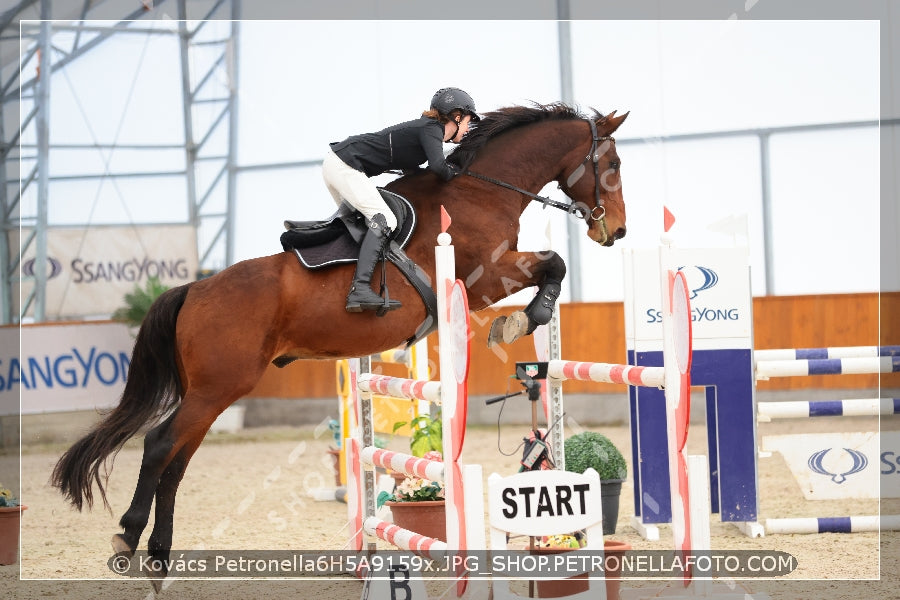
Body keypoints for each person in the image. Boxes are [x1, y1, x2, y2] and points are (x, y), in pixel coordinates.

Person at [324, 87, 480, 313]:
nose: (467, 128)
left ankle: (348, 283)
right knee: (386, 219)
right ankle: (360, 288)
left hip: (339, 163)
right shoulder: (432, 129)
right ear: (456, 117)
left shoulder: (425, 131)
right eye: (467, 121)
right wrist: (459, 174)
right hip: (344, 165)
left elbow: (415, 171)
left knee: (360, 226)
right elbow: (438, 167)